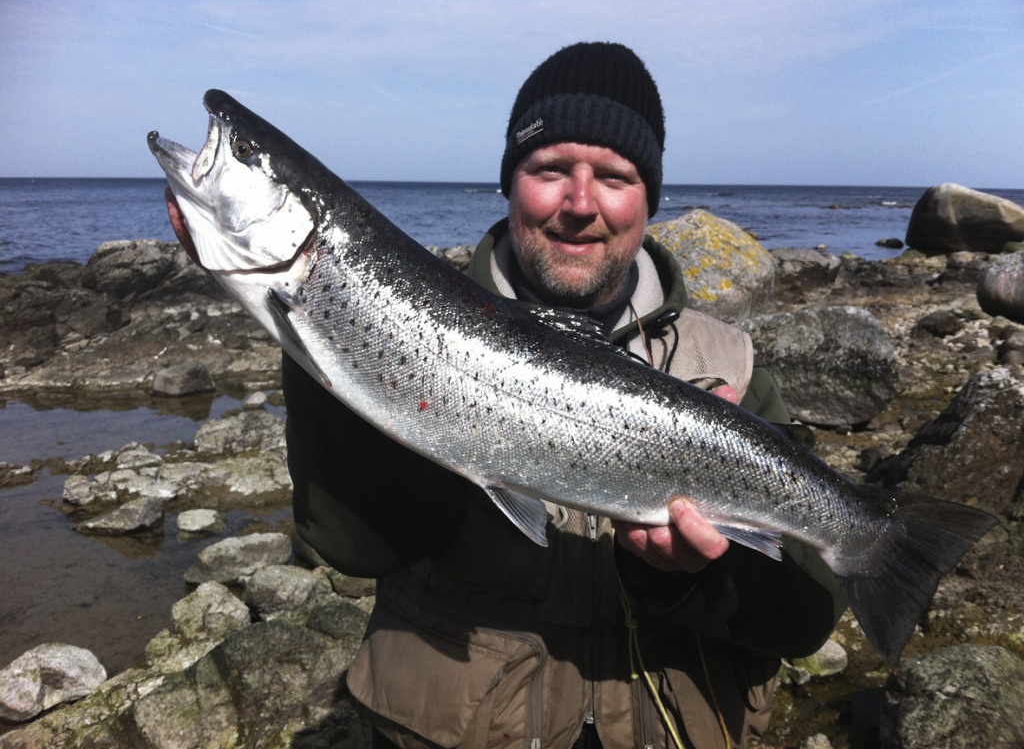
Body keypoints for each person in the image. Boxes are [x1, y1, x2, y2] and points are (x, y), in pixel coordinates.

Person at [283, 42, 846, 749]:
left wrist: (696, 577)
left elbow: (803, 624)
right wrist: (326, 326)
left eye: (614, 176)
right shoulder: (407, 320)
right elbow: (353, 546)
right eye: (549, 170)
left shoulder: (729, 365)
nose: (580, 205)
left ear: (649, 201)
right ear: (509, 183)